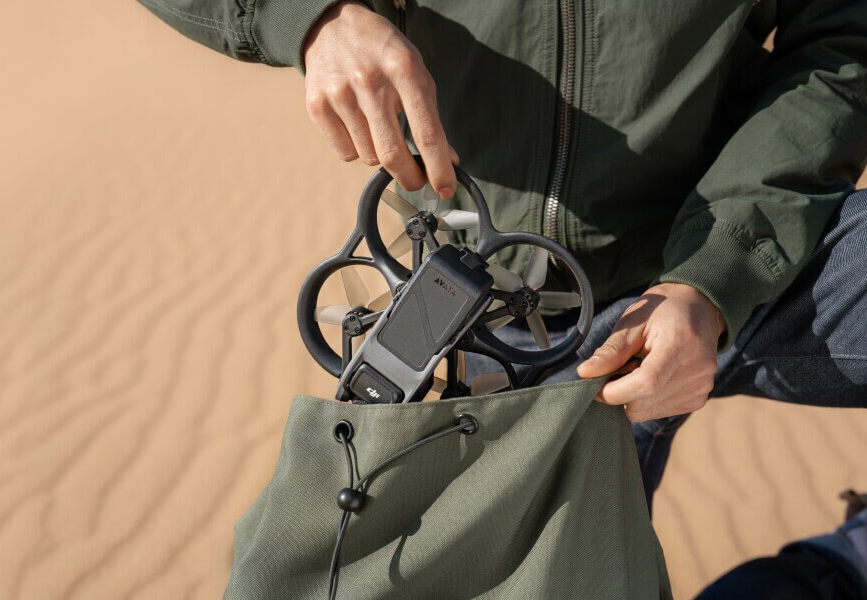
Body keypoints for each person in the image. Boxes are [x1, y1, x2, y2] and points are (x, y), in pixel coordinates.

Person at [138, 0, 867, 595]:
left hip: (736, 239)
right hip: (486, 314)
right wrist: (316, 15)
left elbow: (842, 39)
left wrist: (714, 277)